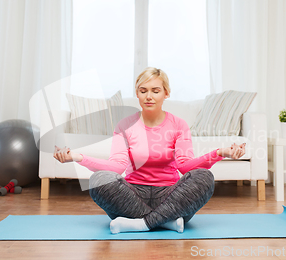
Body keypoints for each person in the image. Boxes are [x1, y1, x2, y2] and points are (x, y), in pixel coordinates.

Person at [53, 67, 245, 234]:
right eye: (143, 91)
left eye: (155, 90)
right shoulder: (125, 125)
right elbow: (116, 167)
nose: (149, 96)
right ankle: (166, 222)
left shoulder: (179, 125)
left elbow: (185, 166)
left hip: (171, 196)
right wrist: (78, 157)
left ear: (166, 93)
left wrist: (219, 153)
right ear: (137, 93)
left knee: (204, 177)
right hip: (132, 197)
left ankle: (142, 224)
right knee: (97, 180)